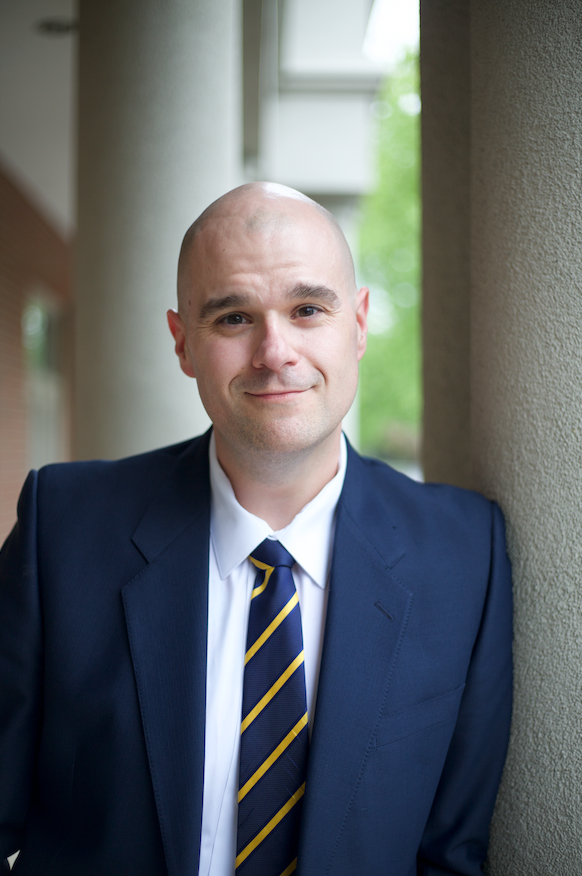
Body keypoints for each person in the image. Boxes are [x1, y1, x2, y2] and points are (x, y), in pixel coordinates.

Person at [0, 182, 512, 876]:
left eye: (308, 309)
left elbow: (451, 855)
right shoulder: (64, 528)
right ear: (183, 343)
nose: (275, 351)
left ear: (357, 325)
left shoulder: (464, 553)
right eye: (234, 318)